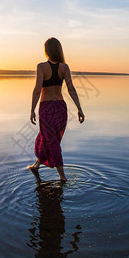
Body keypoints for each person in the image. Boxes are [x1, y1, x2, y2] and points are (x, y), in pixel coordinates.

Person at [28, 37, 85, 181]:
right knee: (47, 138)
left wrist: (32, 110)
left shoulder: (41, 67)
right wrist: (79, 108)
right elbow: (71, 89)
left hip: (46, 108)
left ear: (47, 51)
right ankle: (37, 165)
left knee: (51, 141)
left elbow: (36, 90)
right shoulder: (64, 67)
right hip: (60, 108)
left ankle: (62, 177)